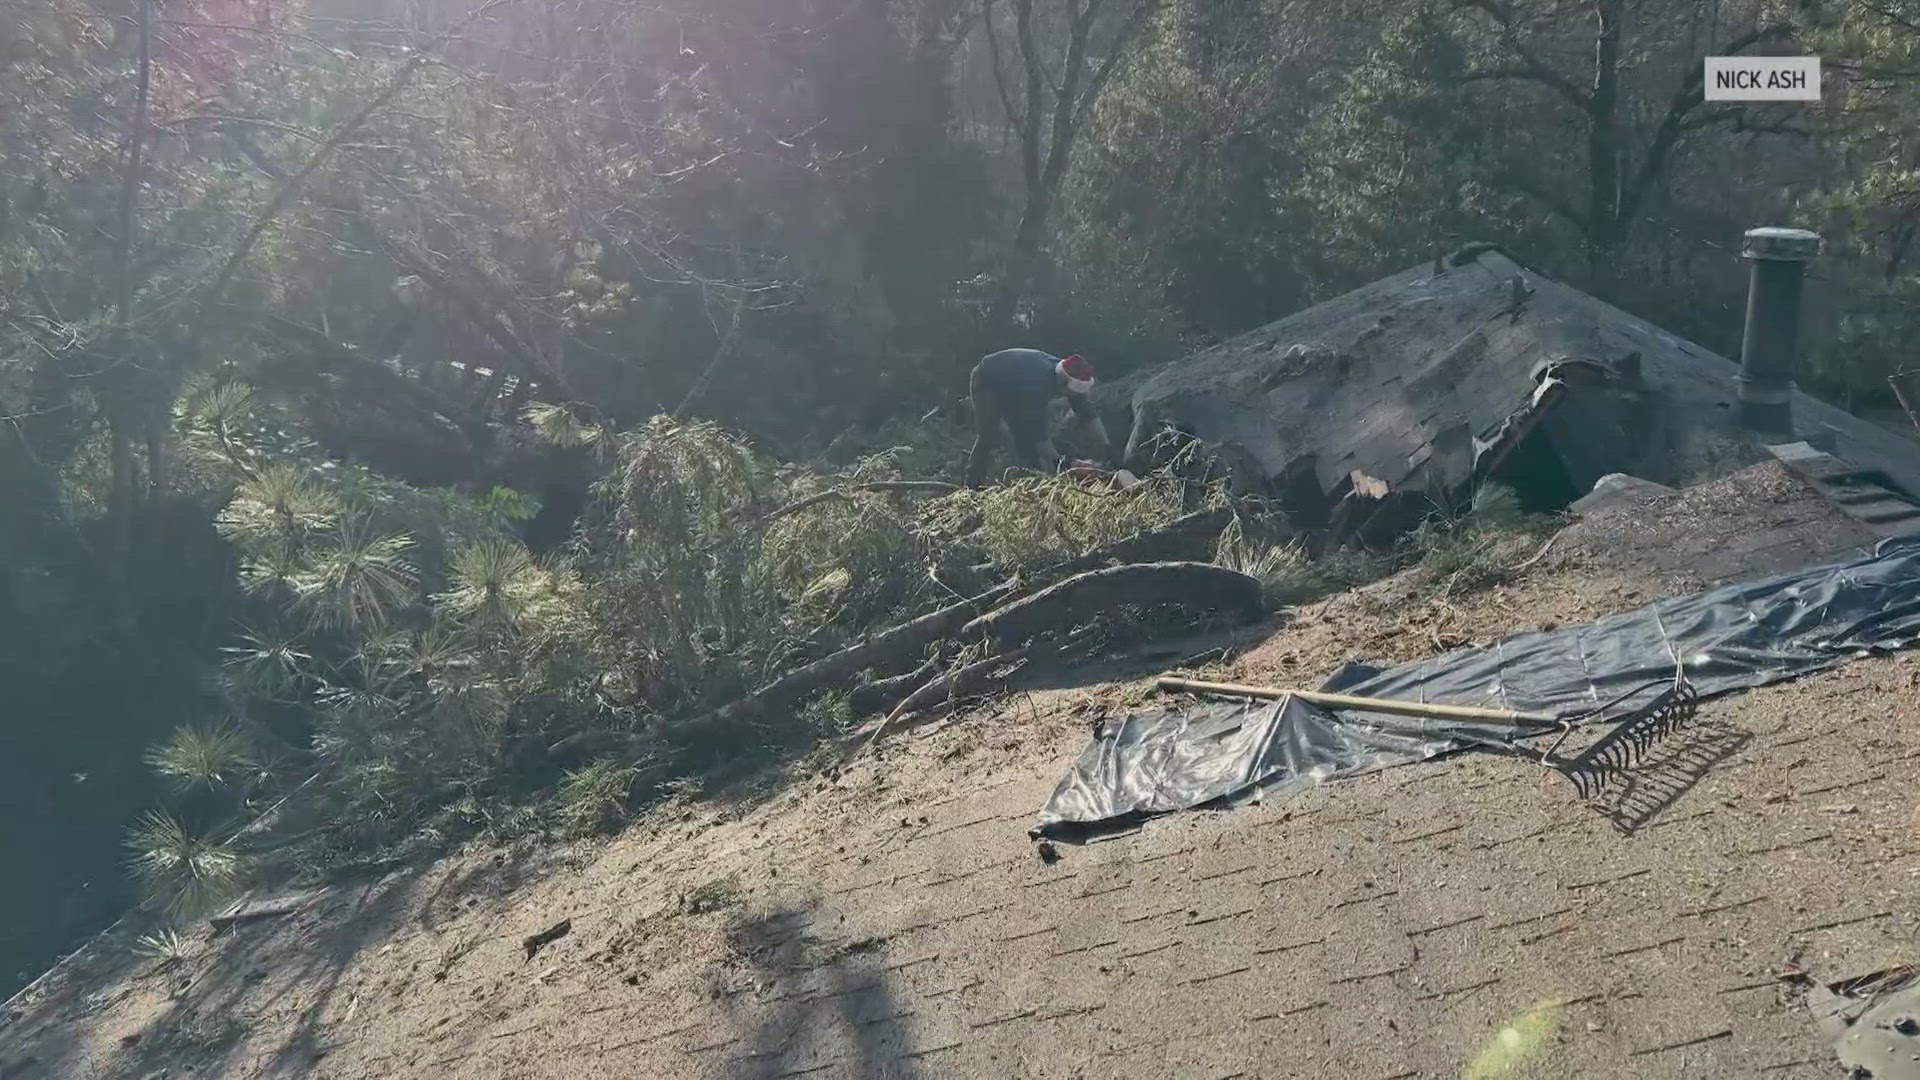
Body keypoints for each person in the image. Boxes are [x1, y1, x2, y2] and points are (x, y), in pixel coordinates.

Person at [963, 348, 1111, 485]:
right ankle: (971, 484)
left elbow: (1086, 411)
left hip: (1015, 383)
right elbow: (1038, 433)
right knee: (988, 435)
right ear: (1063, 383)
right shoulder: (1037, 387)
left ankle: (1028, 474)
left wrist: (1106, 446)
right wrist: (1061, 464)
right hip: (987, 378)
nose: (1075, 397)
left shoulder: (1071, 371)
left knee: (1024, 439)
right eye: (1073, 392)